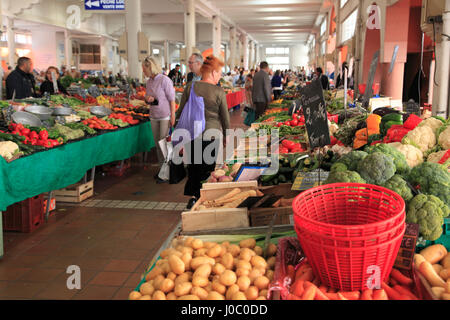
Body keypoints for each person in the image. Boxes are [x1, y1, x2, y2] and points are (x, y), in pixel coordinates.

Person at [176, 55, 230, 209]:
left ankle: (193, 198)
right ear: (213, 72)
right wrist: (227, 136)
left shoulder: (190, 87)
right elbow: (225, 118)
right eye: (219, 73)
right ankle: (204, 198)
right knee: (207, 168)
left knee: (193, 166)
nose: (219, 76)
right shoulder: (218, 91)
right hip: (211, 135)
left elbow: (180, 113)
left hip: (191, 135)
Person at [142, 56, 176, 183]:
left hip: (164, 116)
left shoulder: (164, 80)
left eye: (144, 69)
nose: (143, 71)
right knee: (157, 145)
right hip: (154, 115)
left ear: (151, 67)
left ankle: (167, 172)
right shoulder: (149, 81)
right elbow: (147, 96)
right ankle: (162, 170)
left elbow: (172, 99)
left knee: (164, 145)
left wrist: (172, 115)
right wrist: (147, 99)